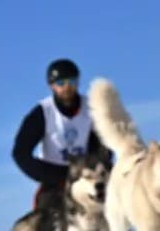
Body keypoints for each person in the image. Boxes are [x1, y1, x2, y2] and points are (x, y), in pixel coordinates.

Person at [11, 58, 105, 202]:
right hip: (55, 183)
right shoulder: (43, 112)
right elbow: (20, 153)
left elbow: (104, 142)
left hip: (88, 179)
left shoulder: (92, 108)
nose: (67, 87)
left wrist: (97, 166)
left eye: (72, 82)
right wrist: (51, 175)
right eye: (61, 83)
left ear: (78, 82)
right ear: (51, 85)